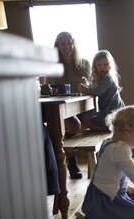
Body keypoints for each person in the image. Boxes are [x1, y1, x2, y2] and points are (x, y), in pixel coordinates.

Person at [46, 31, 92, 179]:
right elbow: (49, 89)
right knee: (66, 124)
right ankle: (71, 162)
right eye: (63, 43)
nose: (67, 46)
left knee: (77, 123)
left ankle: (71, 160)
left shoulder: (84, 64)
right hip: (63, 105)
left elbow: (91, 85)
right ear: (57, 46)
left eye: (69, 42)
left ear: (74, 44)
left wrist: (86, 84)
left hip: (81, 104)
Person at [78, 49, 126, 131]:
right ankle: (103, 127)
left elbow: (97, 91)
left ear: (110, 65)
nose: (102, 68)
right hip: (111, 112)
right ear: (95, 67)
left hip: (113, 113)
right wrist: (87, 85)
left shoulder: (108, 78)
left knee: (85, 118)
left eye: (105, 65)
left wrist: (84, 89)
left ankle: (103, 128)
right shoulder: (103, 79)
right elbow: (96, 88)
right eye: (99, 65)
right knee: (89, 117)